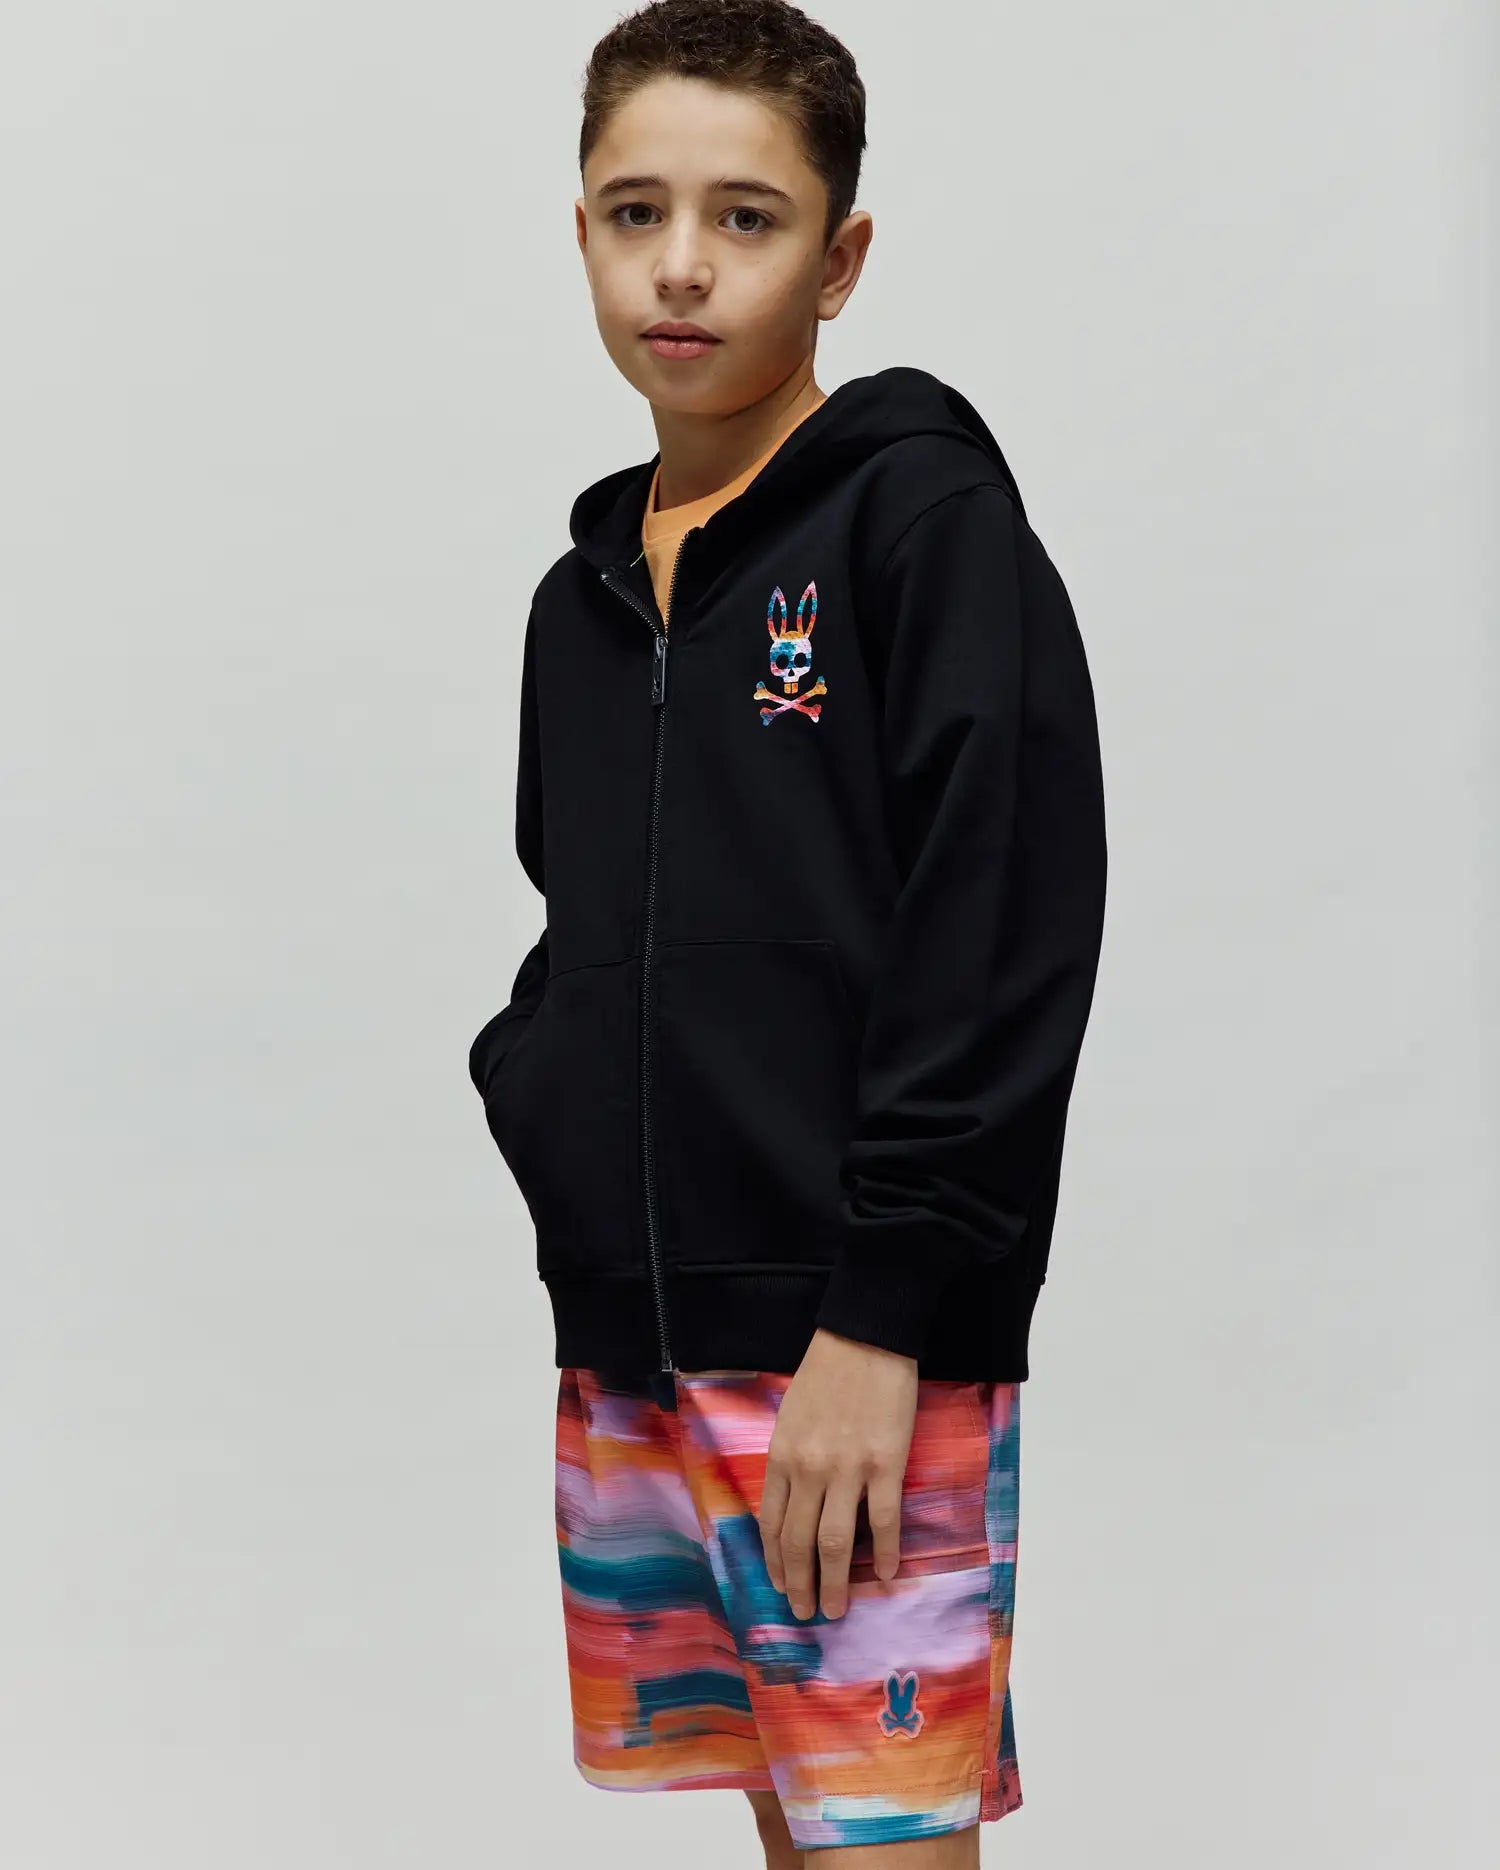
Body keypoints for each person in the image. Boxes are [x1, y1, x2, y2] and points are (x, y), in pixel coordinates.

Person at [466, 2, 1108, 1861]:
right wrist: (551, 1106)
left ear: (840, 260)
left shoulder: (922, 522)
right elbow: (582, 911)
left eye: (745, 218)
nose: (681, 264)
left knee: (888, 1839)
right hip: (640, 1330)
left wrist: (883, 1313)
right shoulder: (581, 602)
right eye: (635, 210)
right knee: (773, 1823)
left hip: (857, 1340)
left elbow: (1001, 912)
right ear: (580, 232)